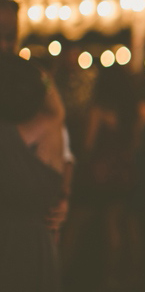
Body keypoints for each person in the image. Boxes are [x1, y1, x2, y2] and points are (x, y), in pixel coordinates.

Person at [0, 0, 73, 237]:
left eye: (10, 37)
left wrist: (61, 197)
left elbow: (63, 150)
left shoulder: (28, 84)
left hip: (26, 239)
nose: (3, 46)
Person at [0, 54, 65, 291]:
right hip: (36, 245)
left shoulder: (6, 136)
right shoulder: (50, 127)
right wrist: (43, 76)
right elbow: (55, 104)